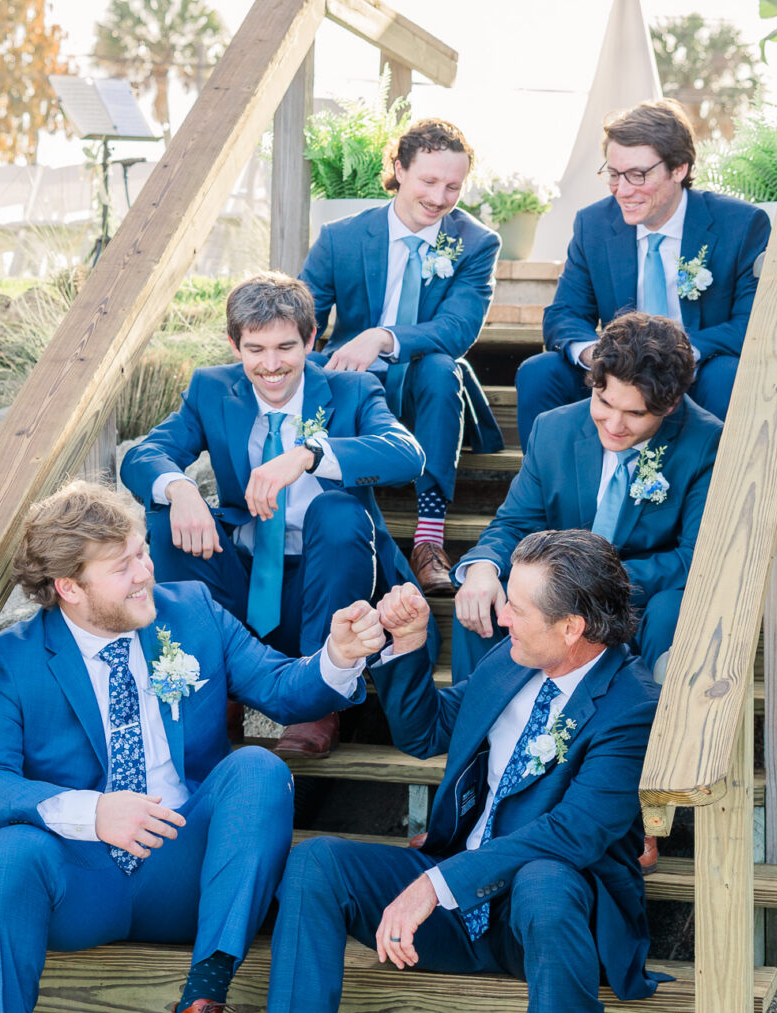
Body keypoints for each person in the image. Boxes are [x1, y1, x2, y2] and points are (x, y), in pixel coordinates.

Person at [0, 481, 388, 1013]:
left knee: (257, 769)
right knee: (6, 850)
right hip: (81, 878)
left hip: (186, 867)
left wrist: (340, 655)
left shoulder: (192, 612)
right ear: (69, 587)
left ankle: (200, 1007)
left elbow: (282, 686)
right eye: (123, 564)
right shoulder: (14, 659)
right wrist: (92, 811)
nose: (146, 571)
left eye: (143, 552)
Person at [232, 530, 665, 1013]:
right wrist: (408, 647)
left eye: (519, 607)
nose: (501, 616)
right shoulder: (511, 660)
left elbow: (575, 832)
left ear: (572, 628)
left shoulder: (631, 704)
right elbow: (425, 732)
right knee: (314, 863)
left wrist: (435, 885)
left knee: (548, 880)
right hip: (461, 900)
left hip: (545, 921)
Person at [121, 273, 426, 761]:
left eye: (285, 347)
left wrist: (309, 454)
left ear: (311, 340)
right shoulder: (211, 388)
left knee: (338, 511)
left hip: (327, 585)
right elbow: (144, 456)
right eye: (255, 349)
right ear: (234, 345)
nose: (271, 365)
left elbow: (406, 455)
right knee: (166, 520)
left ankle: (320, 697)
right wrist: (180, 488)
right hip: (244, 582)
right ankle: (207, 688)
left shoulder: (352, 389)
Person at [299, 116, 505, 596]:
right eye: (428, 181)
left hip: (423, 388)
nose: (439, 198)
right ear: (399, 169)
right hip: (353, 380)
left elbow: (457, 330)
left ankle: (429, 539)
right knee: (308, 367)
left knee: (441, 367)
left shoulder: (477, 243)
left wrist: (382, 337)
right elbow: (301, 320)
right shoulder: (341, 237)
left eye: (452, 186)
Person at [451, 313, 721, 678]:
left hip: (637, 599)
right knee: (480, 597)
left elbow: (693, 558)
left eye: (635, 413)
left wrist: (587, 585)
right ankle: (478, 711)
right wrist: (483, 567)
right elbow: (515, 524)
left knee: (671, 610)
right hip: (554, 593)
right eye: (604, 402)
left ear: (671, 403)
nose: (614, 425)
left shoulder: (706, 443)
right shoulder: (553, 429)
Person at [513, 99, 770, 430]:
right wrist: (596, 355)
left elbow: (751, 322)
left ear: (679, 169)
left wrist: (681, 354)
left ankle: (712, 466)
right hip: (616, 375)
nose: (622, 190)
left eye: (637, 175)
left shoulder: (741, 224)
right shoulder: (593, 224)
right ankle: (550, 466)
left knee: (727, 376)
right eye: (613, 174)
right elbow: (565, 313)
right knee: (539, 372)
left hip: (698, 371)